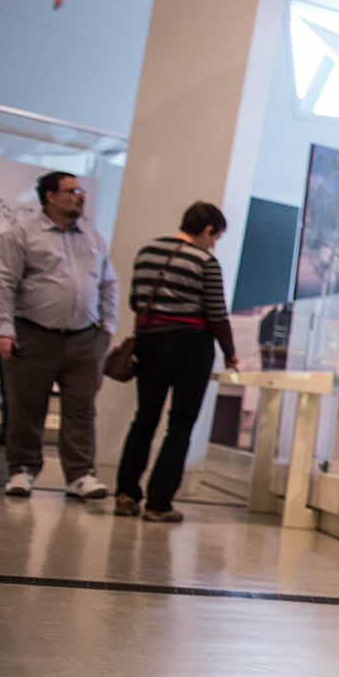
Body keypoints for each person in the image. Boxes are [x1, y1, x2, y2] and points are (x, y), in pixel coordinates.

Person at [0, 171, 119, 499]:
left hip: (86, 339)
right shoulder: (22, 235)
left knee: (81, 410)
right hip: (33, 335)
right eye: (72, 190)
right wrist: (3, 330)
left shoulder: (94, 238)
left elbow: (108, 284)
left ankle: (80, 475)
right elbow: (3, 283)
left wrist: (107, 327)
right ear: (50, 196)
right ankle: (22, 469)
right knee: (27, 407)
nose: (81, 196)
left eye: (81, 191)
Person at [114, 202, 240, 522]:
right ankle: (159, 502)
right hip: (190, 347)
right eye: (216, 237)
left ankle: (126, 493)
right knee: (180, 426)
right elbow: (216, 313)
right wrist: (230, 352)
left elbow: (134, 300)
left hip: (150, 343)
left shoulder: (147, 252)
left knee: (144, 419)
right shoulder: (205, 261)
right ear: (207, 230)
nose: (213, 244)